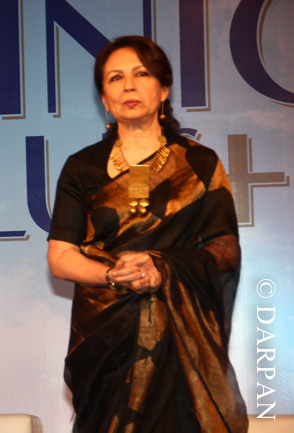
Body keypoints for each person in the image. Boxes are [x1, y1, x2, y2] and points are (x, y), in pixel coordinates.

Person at [47, 36, 248, 432]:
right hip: (106, 339)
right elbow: (61, 258)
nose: (129, 86)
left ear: (164, 89)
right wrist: (113, 275)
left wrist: (163, 267)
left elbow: (225, 250)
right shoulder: (81, 167)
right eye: (115, 78)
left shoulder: (200, 163)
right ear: (104, 99)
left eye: (141, 74)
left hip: (179, 338)